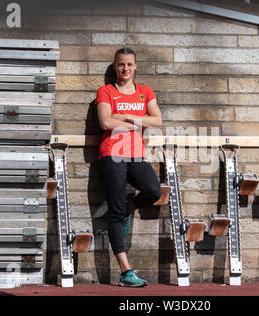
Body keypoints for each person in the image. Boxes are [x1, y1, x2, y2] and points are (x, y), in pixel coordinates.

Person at [95, 48, 163, 287]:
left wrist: (124, 117)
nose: (125, 69)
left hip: (136, 155)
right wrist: (137, 121)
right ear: (115, 67)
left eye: (129, 65)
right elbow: (105, 122)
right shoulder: (106, 91)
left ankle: (129, 207)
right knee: (113, 211)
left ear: (136, 67)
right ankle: (126, 272)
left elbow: (157, 120)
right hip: (112, 154)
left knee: (153, 191)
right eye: (121, 65)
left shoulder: (145, 92)